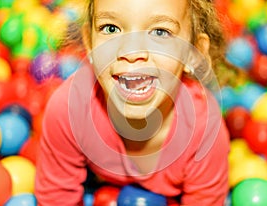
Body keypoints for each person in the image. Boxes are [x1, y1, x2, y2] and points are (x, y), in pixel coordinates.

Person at [35, 0, 237, 205]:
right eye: (111, 28)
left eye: (160, 32)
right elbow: (56, 198)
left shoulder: (204, 133)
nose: (131, 52)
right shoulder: (70, 109)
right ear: (89, 43)